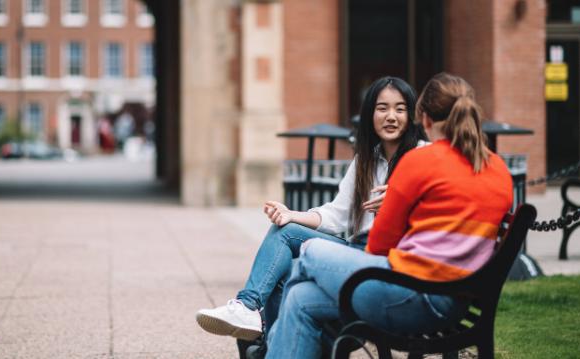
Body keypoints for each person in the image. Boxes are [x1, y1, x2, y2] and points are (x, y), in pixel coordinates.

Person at [263, 73, 514, 358]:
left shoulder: (418, 161)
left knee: (308, 252)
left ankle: (265, 337)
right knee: (300, 297)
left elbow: (378, 247)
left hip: (413, 295)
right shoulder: (499, 169)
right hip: (457, 303)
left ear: (425, 120)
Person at [195, 76, 427, 341]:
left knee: (291, 270)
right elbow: (336, 215)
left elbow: (442, 204)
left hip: (388, 257)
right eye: (382, 108)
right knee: (285, 231)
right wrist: (292, 214)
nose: (391, 116)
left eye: (400, 108)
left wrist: (401, 200)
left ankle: (259, 326)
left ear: (412, 115)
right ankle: (251, 313)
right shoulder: (365, 160)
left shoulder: (423, 156)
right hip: (354, 249)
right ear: (369, 114)